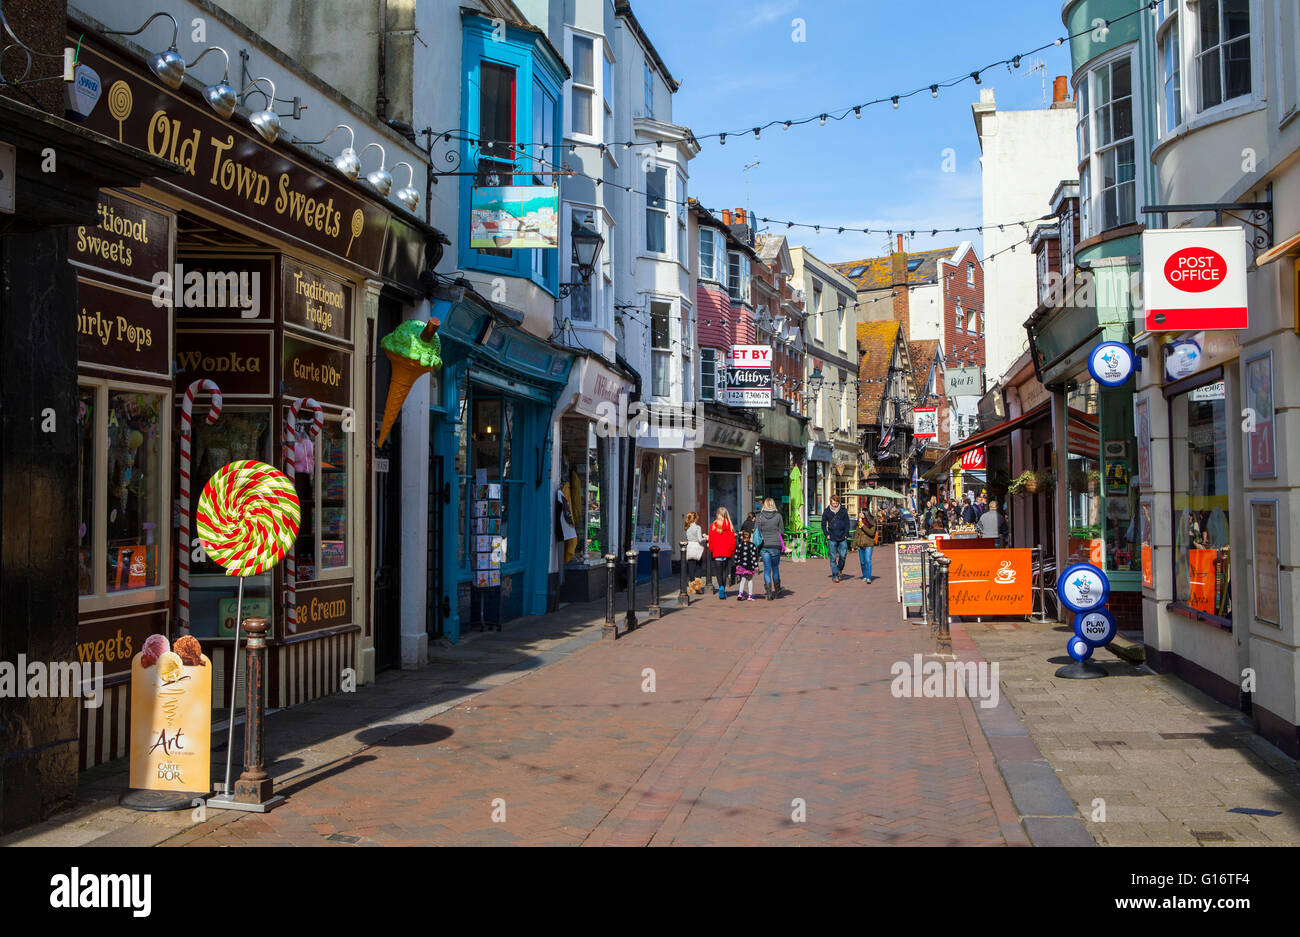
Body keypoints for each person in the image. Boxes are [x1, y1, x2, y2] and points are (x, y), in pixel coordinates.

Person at [756, 497, 785, 600]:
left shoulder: (759, 517)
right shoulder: (778, 516)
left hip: (764, 546)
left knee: (767, 569)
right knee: (775, 568)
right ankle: (777, 589)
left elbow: (757, 532)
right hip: (776, 544)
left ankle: (769, 592)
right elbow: (781, 531)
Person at [707, 508, 736, 599]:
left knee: (718, 571)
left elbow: (710, 540)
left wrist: (712, 550)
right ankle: (722, 589)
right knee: (724, 571)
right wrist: (732, 551)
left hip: (717, 551)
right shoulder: (729, 525)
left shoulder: (713, 526)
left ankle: (721, 587)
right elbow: (733, 541)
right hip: (726, 552)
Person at [821, 495, 851, 582]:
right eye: (833, 503)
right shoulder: (827, 511)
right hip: (832, 537)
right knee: (833, 558)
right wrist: (826, 534)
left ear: (838, 502)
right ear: (830, 502)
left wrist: (846, 534)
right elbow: (823, 524)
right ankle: (835, 575)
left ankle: (839, 569)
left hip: (842, 537)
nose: (834, 505)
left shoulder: (843, 511)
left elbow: (847, 523)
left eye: (836, 503)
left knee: (843, 556)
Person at [733, 529, 761, 601]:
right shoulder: (752, 546)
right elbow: (754, 557)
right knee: (750, 580)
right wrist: (756, 566)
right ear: (750, 537)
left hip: (742, 565)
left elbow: (736, 555)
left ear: (742, 537)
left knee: (742, 580)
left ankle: (740, 594)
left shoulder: (739, 545)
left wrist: (736, 564)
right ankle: (750, 596)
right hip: (749, 565)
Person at [853, 511, 877, 581]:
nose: (860, 514)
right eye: (859, 513)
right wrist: (854, 545)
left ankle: (869, 577)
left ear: (866, 514)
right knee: (862, 562)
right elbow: (856, 534)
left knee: (868, 560)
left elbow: (871, 533)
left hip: (868, 544)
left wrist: (863, 526)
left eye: (861, 513)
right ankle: (865, 576)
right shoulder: (859, 522)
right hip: (860, 544)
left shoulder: (872, 522)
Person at [684, 512, 704, 583]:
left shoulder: (687, 527)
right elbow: (700, 539)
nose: (698, 517)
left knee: (691, 567)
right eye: (697, 516)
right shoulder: (698, 527)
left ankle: (692, 585)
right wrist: (705, 537)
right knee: (699, 567)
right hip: (696, 548)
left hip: (689, 547)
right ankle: (698, 585)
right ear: (695, 518)